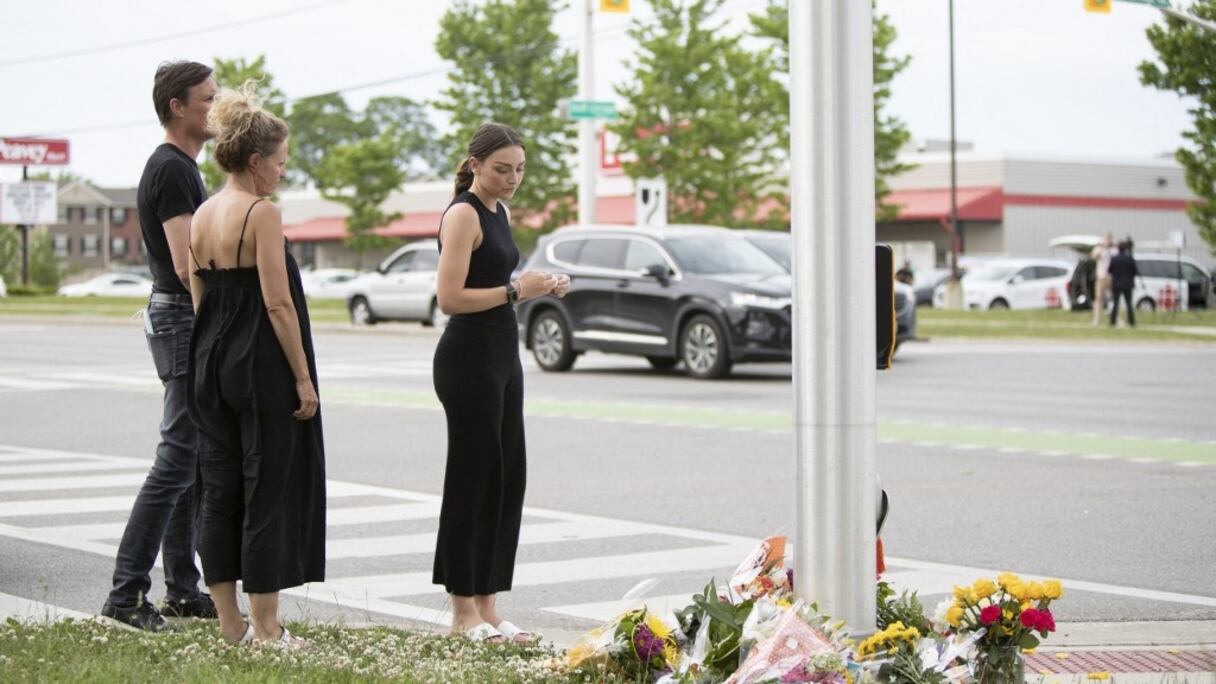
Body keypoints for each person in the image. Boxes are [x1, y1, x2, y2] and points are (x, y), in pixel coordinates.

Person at [186, 82, 325, 646]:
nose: (282, 172)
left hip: (209, 357)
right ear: (254, 161)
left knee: (218, 490)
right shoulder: (261, 214)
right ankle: (267, 629)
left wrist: (213, 346)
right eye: (279, 162)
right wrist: (301, 376)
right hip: (259, 362)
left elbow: (197, 290)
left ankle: (230, 626)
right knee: (266, 488)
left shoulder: (201, 213)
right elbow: (276, 303)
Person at [431, 122, 570, 643]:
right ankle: (461, 610)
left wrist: (540, 287)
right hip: (466, 358)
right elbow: (449, 298)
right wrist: (515, 291)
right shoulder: (464, 214)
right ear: (474, 165)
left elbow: (501, 285)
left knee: (506, 475)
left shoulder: (500, 211)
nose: (512, 178)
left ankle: (488, 606)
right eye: (501, 169)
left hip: (502, 355)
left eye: (519, 169)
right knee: (472, 478)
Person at [102, 61, 218, 631]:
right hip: (181, 319)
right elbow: (184, 262)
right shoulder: (172, 169)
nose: (216, 109)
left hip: (175, 317)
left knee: (190, 462)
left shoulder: (183, 167)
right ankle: (125, 595)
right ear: (177, 105)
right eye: (207, 99)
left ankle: (182, 588)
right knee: (175, 462)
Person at [1108, 240, 1139, 328]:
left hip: (1116, 284)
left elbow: (1110, 270)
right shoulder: (1130, 259)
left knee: (1115, 303)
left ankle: (1112, 321)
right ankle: (1131, 321)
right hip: (1127, 284)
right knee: (1129, 303)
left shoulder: (1114, 259)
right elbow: (1134, 271)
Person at [1090, 233, 1115, 326]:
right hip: (1101, 277)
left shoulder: (1114, 250)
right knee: (1098, 298)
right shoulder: (1099, 249)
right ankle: (1096, 319)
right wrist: (1103, 248)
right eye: (1106, 239)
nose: (1107, 241)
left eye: (1109, 239)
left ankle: (1115, 318)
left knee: (1114, 298)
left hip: (1111, 277)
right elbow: (1094, 256)